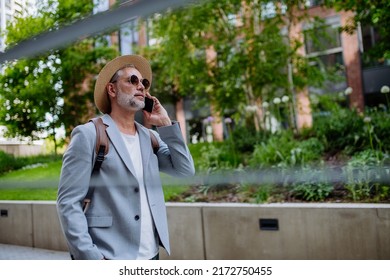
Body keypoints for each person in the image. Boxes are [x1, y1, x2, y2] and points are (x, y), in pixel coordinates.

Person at [56, 55, 195, 260]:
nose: (141, 86)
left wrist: (165, 123)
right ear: (112, 89)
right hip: (110, 256)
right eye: (132, 80)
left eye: (144, 82)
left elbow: (185, 170)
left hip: (152, 255)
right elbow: (68, 203)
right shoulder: (89, 134)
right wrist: (91, 258)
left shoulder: (151, 138)